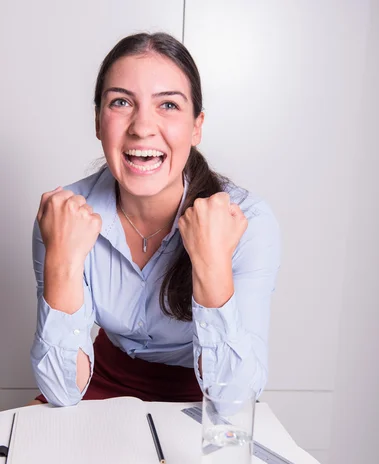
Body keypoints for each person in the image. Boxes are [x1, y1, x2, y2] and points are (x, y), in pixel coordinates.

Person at [30, 32, 280, 408]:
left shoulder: (248, 221)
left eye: (168, 105)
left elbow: (235, 399)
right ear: (98, 121)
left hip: (204, 386)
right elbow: (62, 391)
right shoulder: (64, 216)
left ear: (197, 125)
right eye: (121, 102)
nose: (142, 126)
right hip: (99, 377)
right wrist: (61, 263)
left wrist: (211, 264)